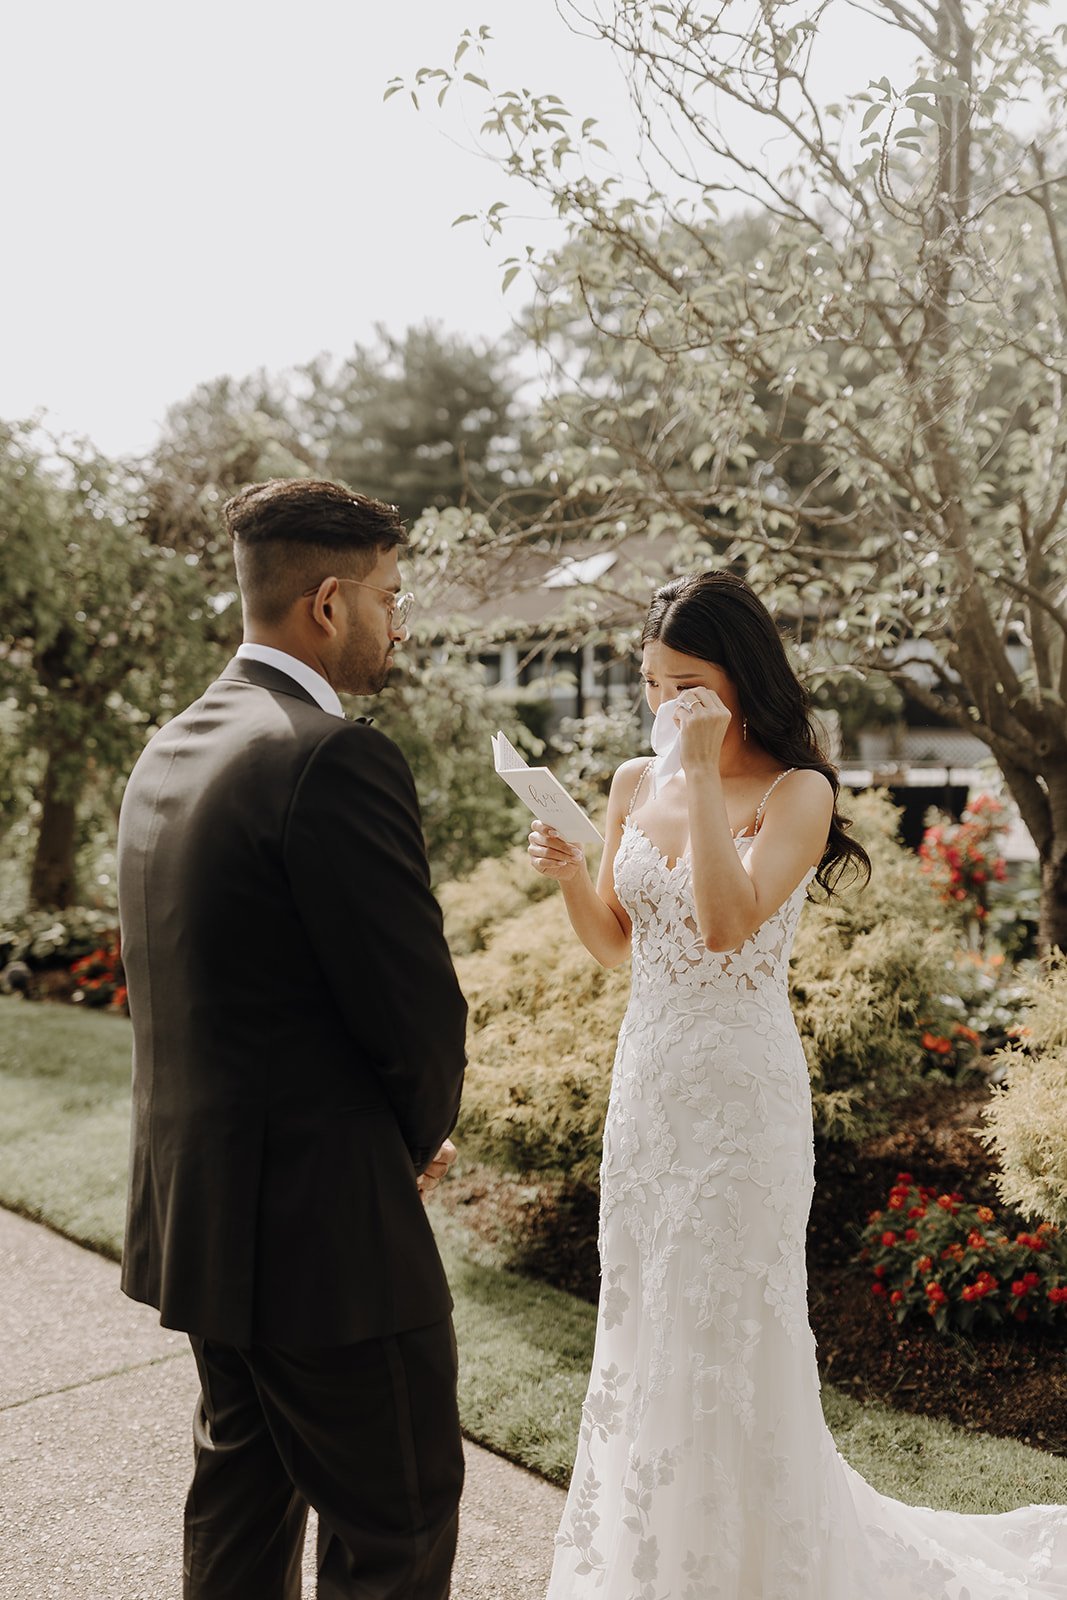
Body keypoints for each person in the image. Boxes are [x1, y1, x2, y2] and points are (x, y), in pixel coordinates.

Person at [528, 570, 1067, 1599]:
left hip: (741, 1099)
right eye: (650, 683)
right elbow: (612, 946)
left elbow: (726, 925)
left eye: (685, 685)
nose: (663, 707)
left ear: (740, 680)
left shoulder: (796, 793)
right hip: (647, 1090)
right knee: (645, 1316)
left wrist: (694, 770)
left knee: (727, 1327)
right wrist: (566, 869)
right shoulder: (630, 784)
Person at [117, 478, 468, 1600]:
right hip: (325, 1237)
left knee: (242, 1496)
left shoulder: (170, 747)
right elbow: (415, 1016)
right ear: (328, 603)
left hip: (204, 1223)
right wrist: (412, 1139)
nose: (396, 618)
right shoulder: (332, 755)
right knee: (396, 1522)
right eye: (387, 593)